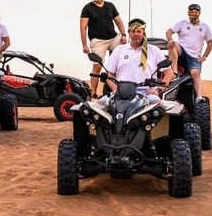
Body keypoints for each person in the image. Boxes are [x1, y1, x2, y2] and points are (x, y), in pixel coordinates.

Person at [74, 18, 174, 152]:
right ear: (129, 32)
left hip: (144, 93)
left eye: (139, 31)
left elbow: (169, 73)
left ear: (143, 32)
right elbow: (109, 75)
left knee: (162, 110)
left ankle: (161, 147)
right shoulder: (119, 50)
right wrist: (115, 89)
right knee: (89, 109)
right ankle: (88, 147)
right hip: (119, 93)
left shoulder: (153, 50)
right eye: (133, 31)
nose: (136, 34)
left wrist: (158, 89)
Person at [80, 0, 127, 99]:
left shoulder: (110, 6)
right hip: (98, 41)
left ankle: (122, 88)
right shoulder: (87, 8)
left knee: (126, 54)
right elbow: (83, 27)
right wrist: (85, 45)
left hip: (113, 38)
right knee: (97, 66)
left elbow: (119, 21)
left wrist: (123, 34)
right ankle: (93, 93)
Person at [166, 3, 212, 103]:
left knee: (196, 73)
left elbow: (210, 43)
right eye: (191, 11)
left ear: (199, 13)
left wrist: (204, 56)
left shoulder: (204, 27)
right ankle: (174, 73)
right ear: (188, 13)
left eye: (195, 12)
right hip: (182, 50)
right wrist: (170, 40)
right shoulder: (182, 23)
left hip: (194, 56)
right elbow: (168, 32)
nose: (193, 13)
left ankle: (199, 96)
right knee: (172, 45)